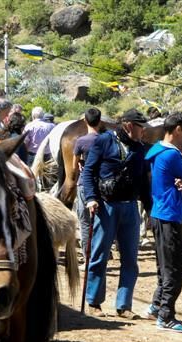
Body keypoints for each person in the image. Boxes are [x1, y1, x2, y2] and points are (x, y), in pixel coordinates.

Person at [81, 108, 150, 319]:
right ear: (129, 125)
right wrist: (91, 198)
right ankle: (94, 302)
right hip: (105, 206)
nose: (143, 132)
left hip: (130, 208)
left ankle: (124, 305)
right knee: (100, 255)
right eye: (141, 127)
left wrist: (150, 208)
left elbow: (144, 183)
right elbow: (88, 172)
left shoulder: (140, 149)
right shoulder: (103, 141)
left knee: (130, 259)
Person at [144, 112, 182, 333]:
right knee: (175, 268)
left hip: (159, 214)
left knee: (163, 266)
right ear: (178, 129)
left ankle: (157, 305)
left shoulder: (157, 151)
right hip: (170, 216)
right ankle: (166, 316)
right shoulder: (173, 155)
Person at [71, 107, 102, 254]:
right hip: (102, 184)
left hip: (84, 184)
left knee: (84, 222)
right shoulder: (106, 140)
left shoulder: (81, 141)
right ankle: (102, 253)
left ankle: (87, 255)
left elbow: (73, 166)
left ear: (85, 121)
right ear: (100, 121)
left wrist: (80, 164)